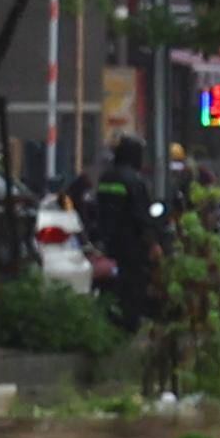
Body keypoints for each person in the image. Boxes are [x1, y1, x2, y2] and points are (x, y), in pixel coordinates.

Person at [82, 136, 159, 330]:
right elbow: (141, 216)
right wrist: (152, 244)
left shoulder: (106, 178)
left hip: (107, 242)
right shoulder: (135, 181)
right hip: (131, 246)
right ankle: (129, 325)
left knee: (111, 287)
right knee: (133, 287)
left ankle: (109, 320)